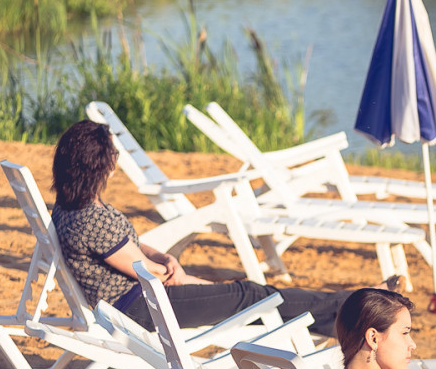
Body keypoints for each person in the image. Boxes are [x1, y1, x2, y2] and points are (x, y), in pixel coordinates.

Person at [48, 118, 384, 336]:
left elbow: (129, 247)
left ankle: (349, 308)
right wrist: (168, 270)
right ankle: (352, 310)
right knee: (250, 296)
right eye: (111, 158)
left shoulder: (71, 206)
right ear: (97, 165)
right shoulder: (91, 218)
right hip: (145, 309)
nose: (114, 165)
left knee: (249, 295)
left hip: (143, 299)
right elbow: (142, 269)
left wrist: (165, 258)